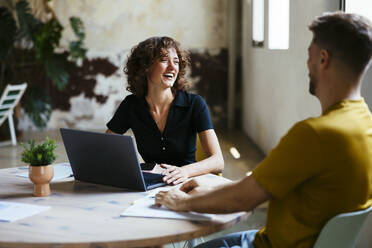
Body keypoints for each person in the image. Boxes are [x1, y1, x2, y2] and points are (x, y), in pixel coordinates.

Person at [155, 12, 372, 248]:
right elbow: (264, 187)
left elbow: (243, 199)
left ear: (323, 59)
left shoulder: (314, 134)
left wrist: (180, 202)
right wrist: (215, 186)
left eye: (309, 55)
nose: (307, 64)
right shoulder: (364, 124)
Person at [106, 36, 224, 185]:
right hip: (150, 185)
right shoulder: (131, 105)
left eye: (176, 62)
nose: (173, 67)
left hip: (187, 183)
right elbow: (106, 147)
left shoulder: (194, 104)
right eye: (164, 60)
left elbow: (218, 161)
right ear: (145, 66)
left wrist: (185, 171)